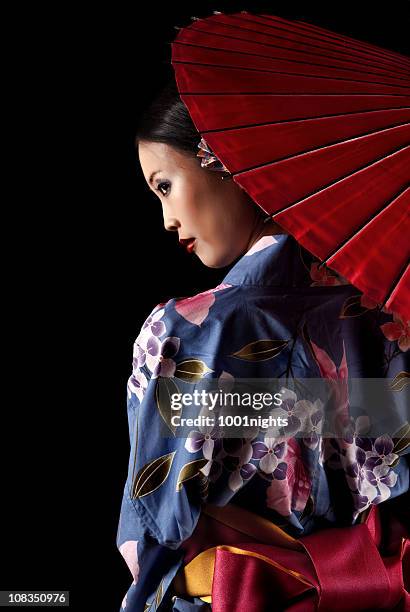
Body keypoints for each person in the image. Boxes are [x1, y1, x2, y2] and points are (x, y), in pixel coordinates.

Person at [116, 77, 409, 611]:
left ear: (223, 160)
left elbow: (153, 533)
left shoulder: (183, 332)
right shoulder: (386, 318)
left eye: (164, 186)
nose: (166, 219)